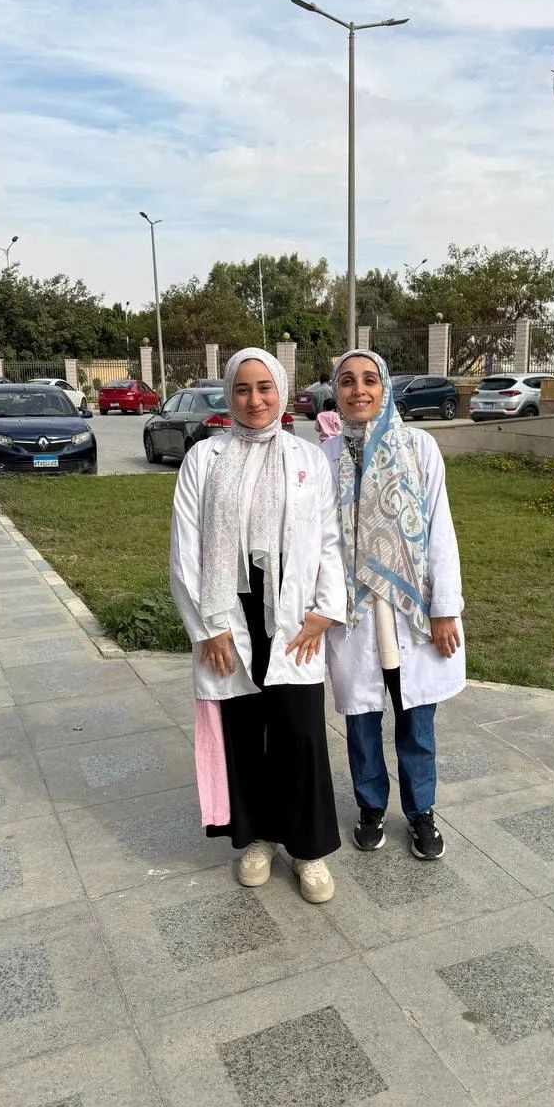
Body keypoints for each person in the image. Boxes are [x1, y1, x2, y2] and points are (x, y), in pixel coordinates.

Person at [170, 348, 346, 903]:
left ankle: (308, 849)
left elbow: (328, 540)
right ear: (229, 394)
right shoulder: (204, 458)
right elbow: (186, 548)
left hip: (293, 614)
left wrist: (325, 608)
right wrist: (209, 628)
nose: (254, 400)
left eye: (264, 387)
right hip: (230, 611)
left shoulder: (307, 458)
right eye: (243, 389)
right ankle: (259, 839)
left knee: (300, 731)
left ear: (282, 391)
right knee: (245, 732)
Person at [323, 351, 465, 861]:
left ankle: (421, 811)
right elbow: (319, 540)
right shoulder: (326, 456)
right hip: (355, 612)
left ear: (384, 388)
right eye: (347, 381)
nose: (358, 390)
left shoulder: (419, 447)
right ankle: (371, 807)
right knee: (361, 723)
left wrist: (444, 608)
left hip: (412, 610)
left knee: (416, 722)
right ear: (336, 392)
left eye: (369, 380)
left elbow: (439, 528)